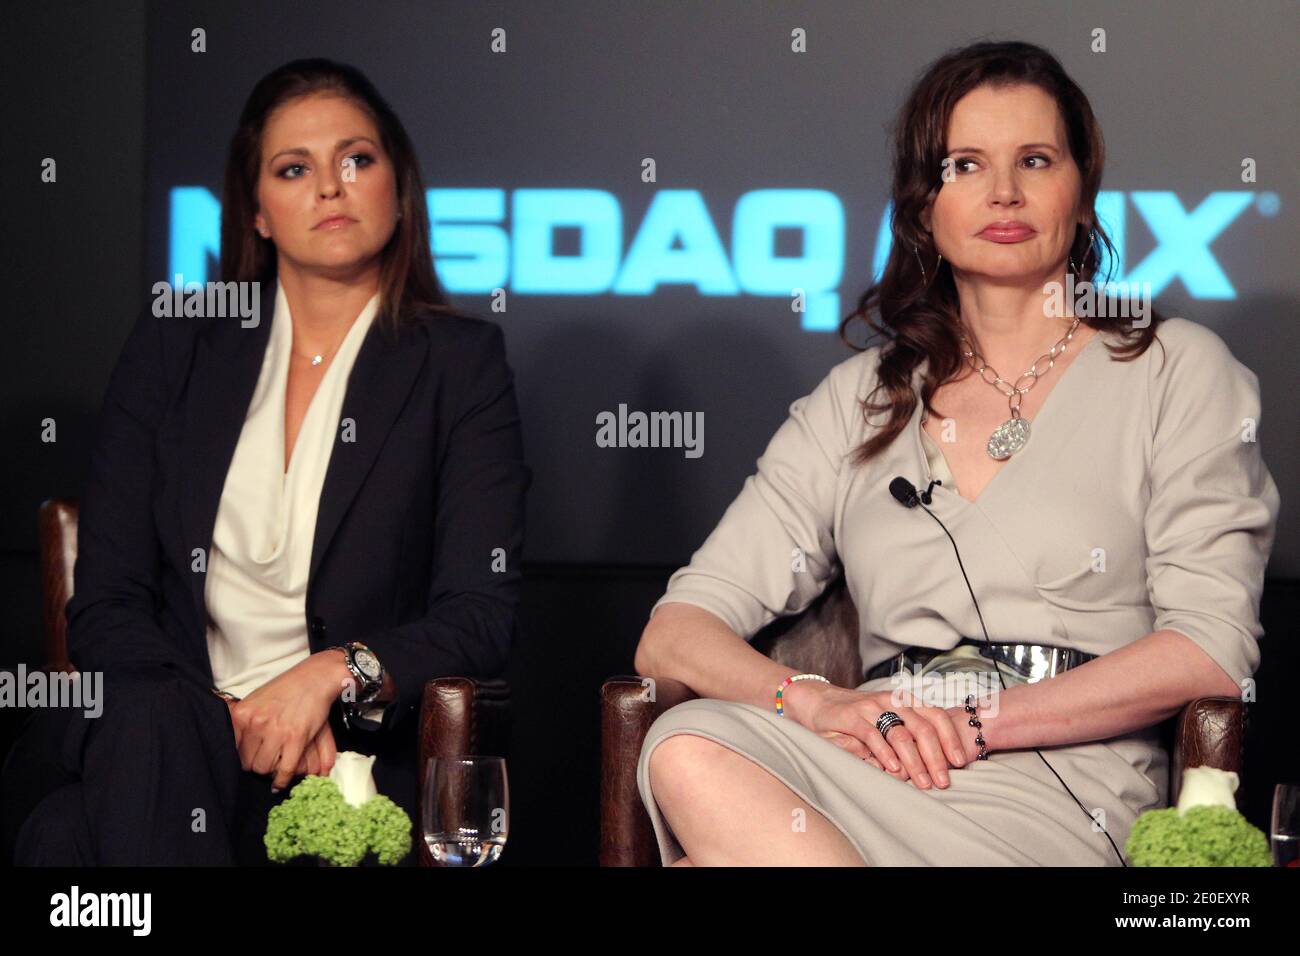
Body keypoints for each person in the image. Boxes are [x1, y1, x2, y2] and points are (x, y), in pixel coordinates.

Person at [633, 40, 1281, 866]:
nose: (1004, 192)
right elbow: (676, 633)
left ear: (1082, 195)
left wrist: (981, 722)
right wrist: (817, 702)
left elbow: (1209, 651)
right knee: (688, 745)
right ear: (922, 206)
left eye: (1036, 160)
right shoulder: (862, 397)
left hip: (1059, 782)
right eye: (965, 164)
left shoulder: (1178, 370)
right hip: (871, 754)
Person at [1, 58, 530, 865]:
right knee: (141, 728)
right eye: (294, 168)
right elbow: (106, 604)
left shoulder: (459, 366)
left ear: (398, 183)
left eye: (357, 159)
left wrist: (329, 675)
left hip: (336, 757)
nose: (330, 187)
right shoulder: (174, 344)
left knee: (65, 839)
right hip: (161, 732)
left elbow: (479, 614)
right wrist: (219, 720)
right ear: (256, 211)